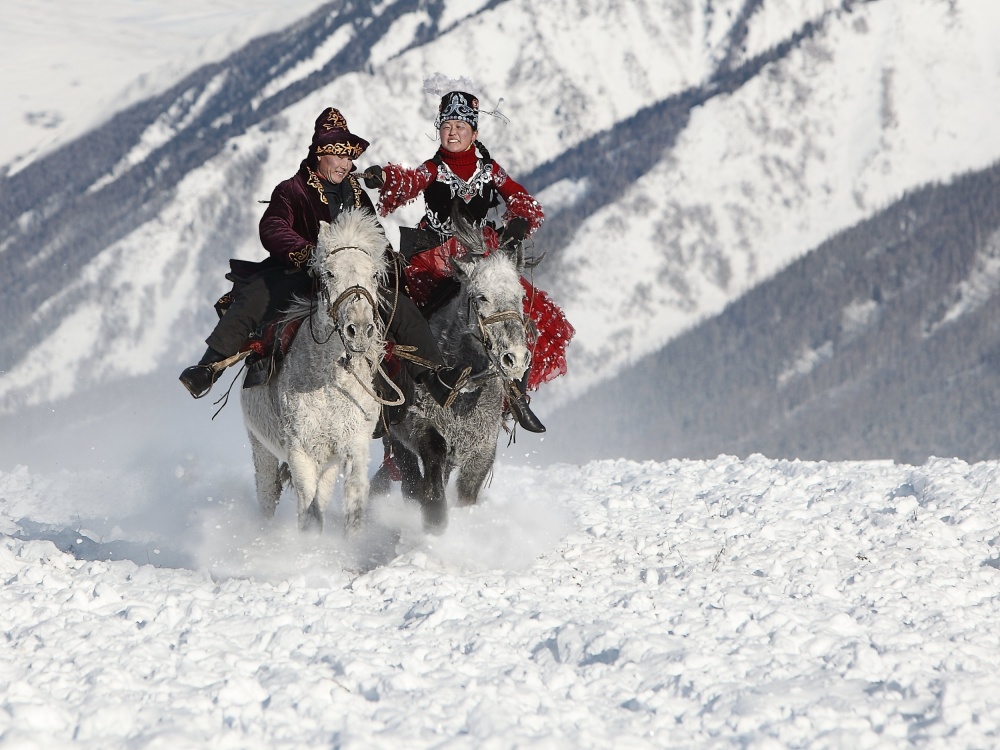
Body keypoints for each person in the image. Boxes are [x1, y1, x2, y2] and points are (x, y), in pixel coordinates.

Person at [179, 107, 468, 413]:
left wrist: (383, 260)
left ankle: (435, 377)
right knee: (255, 297)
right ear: (319, 155)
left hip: (352, 278)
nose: (345, 164)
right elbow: (273, 227)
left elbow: (374, 233)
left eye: (348, 158)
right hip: (300, 271)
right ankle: (208, 368)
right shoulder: (292, 190)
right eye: (338, 156)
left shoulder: (357, 193)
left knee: (401, 306)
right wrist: (305, 251)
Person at [367, 90, 574, 433]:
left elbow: (524, 200)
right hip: (435, 259)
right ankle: (396, 398)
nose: (452, 132)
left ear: (474, 133)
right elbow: (408, 181)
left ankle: (514, 395)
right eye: (447, 125)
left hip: (482, 258)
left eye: (460, 126)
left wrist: (519, 221)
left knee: (524, 314)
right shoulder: (432, 168)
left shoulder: (491, 170)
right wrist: (385, 178)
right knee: (402, 320)